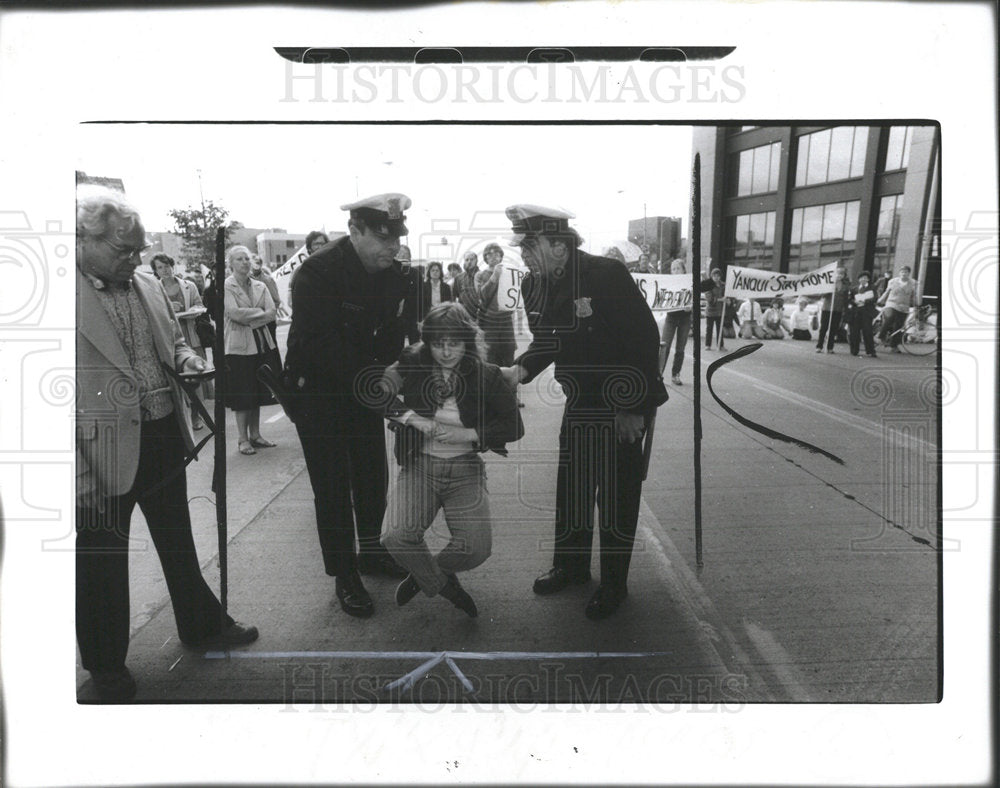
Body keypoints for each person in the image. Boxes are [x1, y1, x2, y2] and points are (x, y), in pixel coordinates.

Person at [75, 186, 257, 701]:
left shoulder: (146, 283)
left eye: (137, 248)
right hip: (99, 452)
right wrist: (77, 475)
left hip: (160, 434)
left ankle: (201, 625)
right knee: (100, 564)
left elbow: (172, 342)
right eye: (122, 249)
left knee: (178, 539)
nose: (135, 258)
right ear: (82, 238)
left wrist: (187, 361)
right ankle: (106, 669)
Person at [500, 204, 668, 620]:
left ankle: (614, 585)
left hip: (619, 406)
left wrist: (632, 408)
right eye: (522, 246)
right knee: (573, 490)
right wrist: (518, 370)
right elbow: (547, 341)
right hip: (579, 403)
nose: (524, 254)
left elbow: (645, 339)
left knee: (615, 498)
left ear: (559, 245)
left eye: (530, 245)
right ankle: (571, 566)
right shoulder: (534, 286)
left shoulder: (605, 275)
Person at [284, 192, 412, 618]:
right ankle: (345, 574)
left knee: (371, 474)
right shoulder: (317, 272)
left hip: (362, 388)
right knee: (334, 486)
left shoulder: (393, 273)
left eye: (397, 237)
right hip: (318, 392)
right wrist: (379, 379)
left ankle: (373, 553)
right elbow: (321, 344)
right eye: (382, 238)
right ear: (354, 231)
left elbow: (394, 329)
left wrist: (393, 372)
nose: (393, 247)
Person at [380, 303, 523, 617]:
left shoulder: (486, 374)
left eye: (454, 343)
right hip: (420, 465)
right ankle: (445, 586)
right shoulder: (412, 362)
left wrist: (469, 434)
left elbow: (515, 426)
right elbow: (376, 392)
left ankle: (424, 575)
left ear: (467, 341)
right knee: (395, 536)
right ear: (427, 341)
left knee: (476, 548)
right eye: (437, 343)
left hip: (464, 470)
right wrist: (413, 419)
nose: (445, 352)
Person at [223, 245, 280, 455]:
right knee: (242, 394)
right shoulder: (227, 286)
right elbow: (234, 313)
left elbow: (272, 312)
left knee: (257, 390)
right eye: (239, 259)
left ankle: (256, 435)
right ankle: (242, 439)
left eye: (247, 258)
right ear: (231, 264)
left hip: (261, 342)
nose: (245, 262)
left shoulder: (260, 285)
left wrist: (253, 316)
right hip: (238, 347)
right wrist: (260, 313)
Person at [151, 253, 210, 427]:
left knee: (195, 374)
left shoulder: (188, 286)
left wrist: (189, 309)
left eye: (167, 266)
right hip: (169, 337)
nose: (165, 270)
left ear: (172, 266)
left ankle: (196, 415)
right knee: (177, 377)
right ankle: (183, 415)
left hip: (190, 333)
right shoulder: (154, 289)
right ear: (156, 271)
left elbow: (200, 306)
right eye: (160, 267)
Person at [474, 242, 518, 367]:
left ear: (501, 256)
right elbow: (482, 297)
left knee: (508, 353)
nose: (493, 256)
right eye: (489, 254)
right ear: (485, 257)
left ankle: (509, 384)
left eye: (497, 253)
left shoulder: (509, 273)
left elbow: (514, 297)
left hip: (506, 320)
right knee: (490, 356)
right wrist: (494, 277)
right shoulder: (480, 275)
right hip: (489, 321)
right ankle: (493, 384)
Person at [660, 258, 692, 384]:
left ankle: (675, 374)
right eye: (673, 269)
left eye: (678, 268)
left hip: (685, 318)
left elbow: (694, 298)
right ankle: (659, 374)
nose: (675, 271)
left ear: (684, 270)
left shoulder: (689, 283)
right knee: (664, 346)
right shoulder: (669, 283)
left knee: (680, 348)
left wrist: (691, 306)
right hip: (671, 317)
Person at [876, 265, 917, 353]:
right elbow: (886, 292)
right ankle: (880, 336)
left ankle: (893, 346)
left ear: (909, 273)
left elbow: (913, 296)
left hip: (904, 306)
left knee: (898, 326)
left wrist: (916, 305)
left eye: (906, 272)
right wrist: (880, 300)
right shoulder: (892, 281)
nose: (904, 274)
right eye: (902, 272)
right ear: (899, 273)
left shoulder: (913, 283)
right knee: (890, 317)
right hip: (892, 303)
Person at [251, 253, 285, 344]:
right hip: (252, 320)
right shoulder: (246, 280)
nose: (255, 265)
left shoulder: (267, 280)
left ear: (261, 265)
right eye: (253, 262)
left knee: (271, 347)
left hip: (266, 320)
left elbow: (276, 300)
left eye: (257, 262)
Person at [815, 266, 850, 353]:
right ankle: (819, 346)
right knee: (824, 328)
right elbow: (822, 295)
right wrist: (830, 289)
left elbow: (846, 299)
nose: (839, 275)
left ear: (844, 275)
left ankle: (830, 347)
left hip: (837, 310)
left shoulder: (845, 285)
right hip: (827, 308)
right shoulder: (829, 283)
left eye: (841, 273)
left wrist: (845, 310)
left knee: (833, 329)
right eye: (838, 273)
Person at [847, 271, 879, 357]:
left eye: (865, 278)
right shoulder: (854, 289)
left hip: (867, 312)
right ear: (858, 279)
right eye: (861, 278)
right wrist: (855, 302)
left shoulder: (872, 288)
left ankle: (870, 351)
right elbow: (850, 299)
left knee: (867, 331)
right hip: (856, 312)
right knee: (854, 331)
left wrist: (865, 301)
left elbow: (875, 298)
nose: (863, 279)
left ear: (868, 279)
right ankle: (854, 350)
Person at [451, 251, 482, 320]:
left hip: (479, 316)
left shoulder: (482, 276)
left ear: (476, 261)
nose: (469, 262)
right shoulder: (458, 278)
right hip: (463, 317)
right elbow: (454, 297)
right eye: (467, 260)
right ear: (464, 261)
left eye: (472, 259)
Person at [701, 268, 726, 350]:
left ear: (720, 277)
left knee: (720, 329)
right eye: (714, 276)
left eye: (718, 276)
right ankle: (708, 345)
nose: (716, 278)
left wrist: (728, 299)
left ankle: (720, 345)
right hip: (710, 312)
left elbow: (727, 294)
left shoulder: (723, 285)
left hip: (720, 311)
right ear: (711, 276)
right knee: (709, 329)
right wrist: (721, 299)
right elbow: (709, 299)